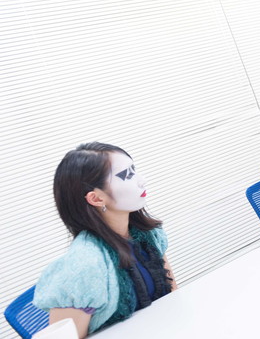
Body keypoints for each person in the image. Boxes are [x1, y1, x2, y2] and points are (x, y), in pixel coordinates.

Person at [34, 142, 177, 338]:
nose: (142, 180)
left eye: (134, 170)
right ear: (96, 199)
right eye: (126, 175)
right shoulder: (83, 266)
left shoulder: (148, 234)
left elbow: (173, 297)